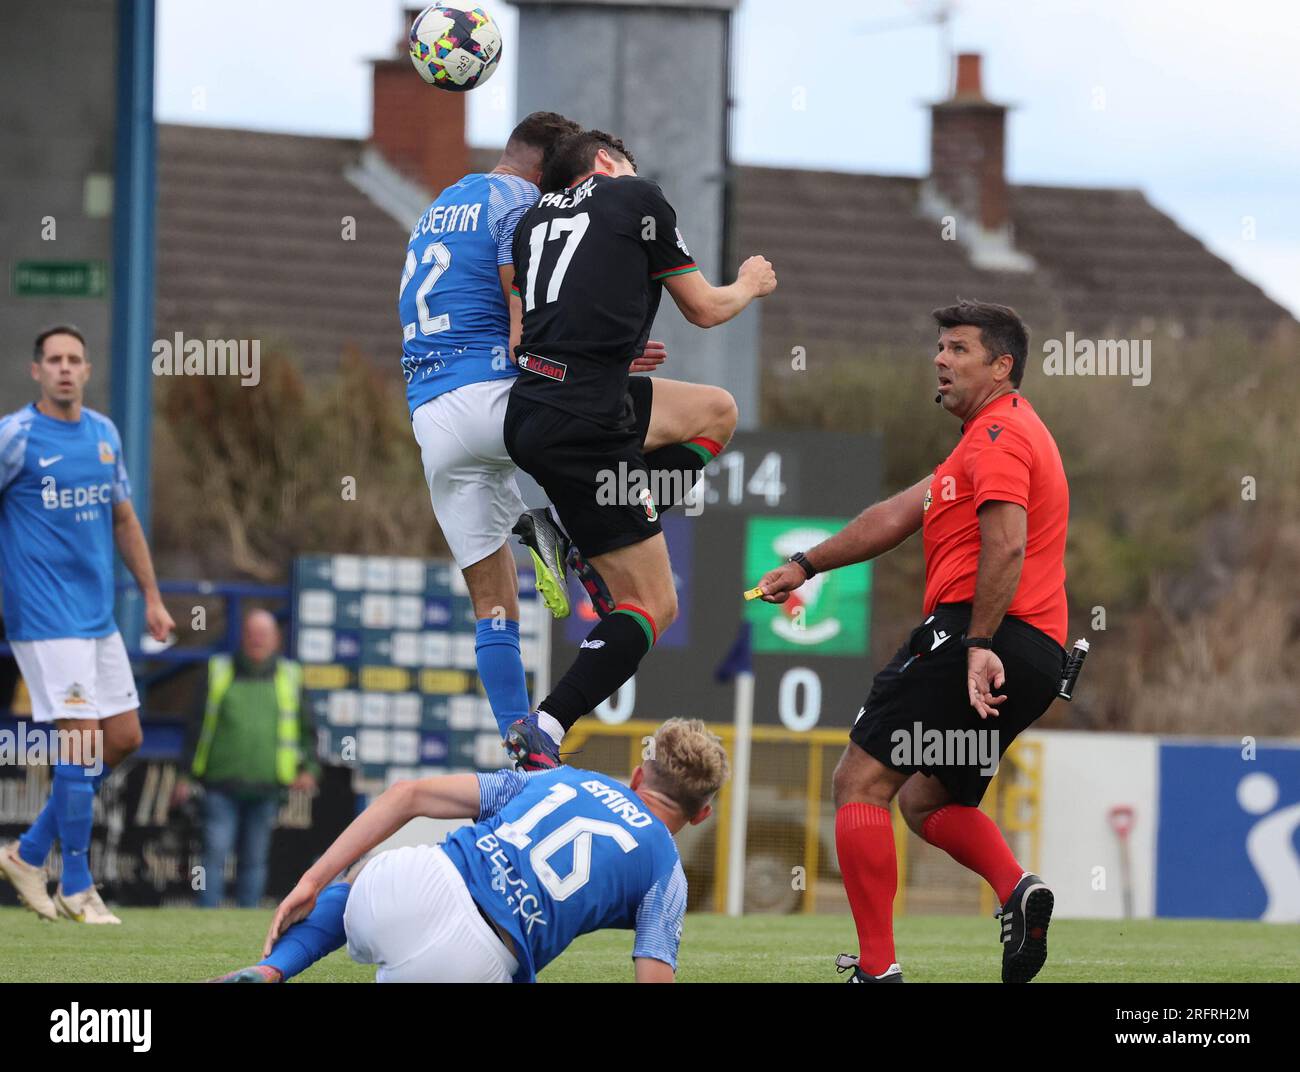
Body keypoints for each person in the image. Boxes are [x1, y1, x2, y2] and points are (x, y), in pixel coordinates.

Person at [754, 300, 1069, 984]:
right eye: (940, 347)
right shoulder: (977, 443)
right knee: (929, 801)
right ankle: (1019, 892)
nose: (940, 359)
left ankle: (875, 968)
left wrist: (978, 642)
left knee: (860, 782)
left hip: (979, 637)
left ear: (1001, 365)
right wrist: (807, 564)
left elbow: (1007, 543)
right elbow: (894, 515)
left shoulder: (1002, 435)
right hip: (1039, 657)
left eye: (958, 349)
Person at [502, 129, 776, 771]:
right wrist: (750, 284)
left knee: (715, 411)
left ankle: (568, 533)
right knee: (653, 605)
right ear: (604, 162)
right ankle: (546, 725)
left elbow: (526, 341)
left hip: (536, 410)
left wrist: (616, 355)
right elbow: (706, 310)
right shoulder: (635, 197)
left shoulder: (529, 225)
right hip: (589, 423)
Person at [208, 718, 728, 984]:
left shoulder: (565, 777)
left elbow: (405, 796)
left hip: (406, 886)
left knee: (364, 873)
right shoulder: (665, 869)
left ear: (638, 776)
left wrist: (312, 881)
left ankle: (274, 969)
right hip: (473, 961)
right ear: (701, 814)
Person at [0, 324, 175, 925]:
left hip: (98, 618)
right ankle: (75, 882)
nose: (65, 369)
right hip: (45, 619)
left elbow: (124, 520)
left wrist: (151, 596)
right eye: (54, 360)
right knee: (77, 740)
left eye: (75, 359)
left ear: (88, 369)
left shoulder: (103, 434)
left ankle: (26, 852)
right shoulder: (15, 438)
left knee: (121, 738)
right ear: (36, 371)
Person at [172, 609, 317, 908]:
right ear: (242, 636)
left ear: (276, 639)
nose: (257, 640)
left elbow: (307, 729)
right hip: (219, 785)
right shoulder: (218, 670)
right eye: (252, 633)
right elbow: (196, 727)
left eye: (264, 634)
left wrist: (309, 768)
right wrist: (184, 775)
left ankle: (247, 920)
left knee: (255, 859)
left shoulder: (290, 676)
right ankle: (206, 919)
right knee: (214, 852)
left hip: (267, 786)